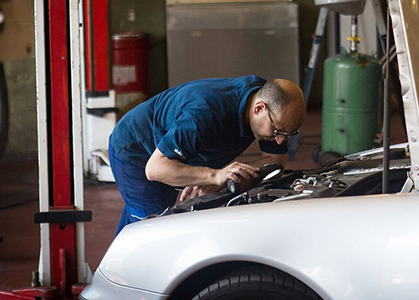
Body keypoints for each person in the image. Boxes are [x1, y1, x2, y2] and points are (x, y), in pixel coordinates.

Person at [108, 75, 306, 235]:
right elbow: (156, 169)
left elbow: (275, 163)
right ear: (258, 109)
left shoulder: (269, 104)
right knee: (152, 232)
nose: (280, 141)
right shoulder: (205, 114)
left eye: (288, 134)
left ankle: (111, 277)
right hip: (137, 152)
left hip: (173, 153)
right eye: (277, 131)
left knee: (135, 223)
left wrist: (220, 179)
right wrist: (214, 175)